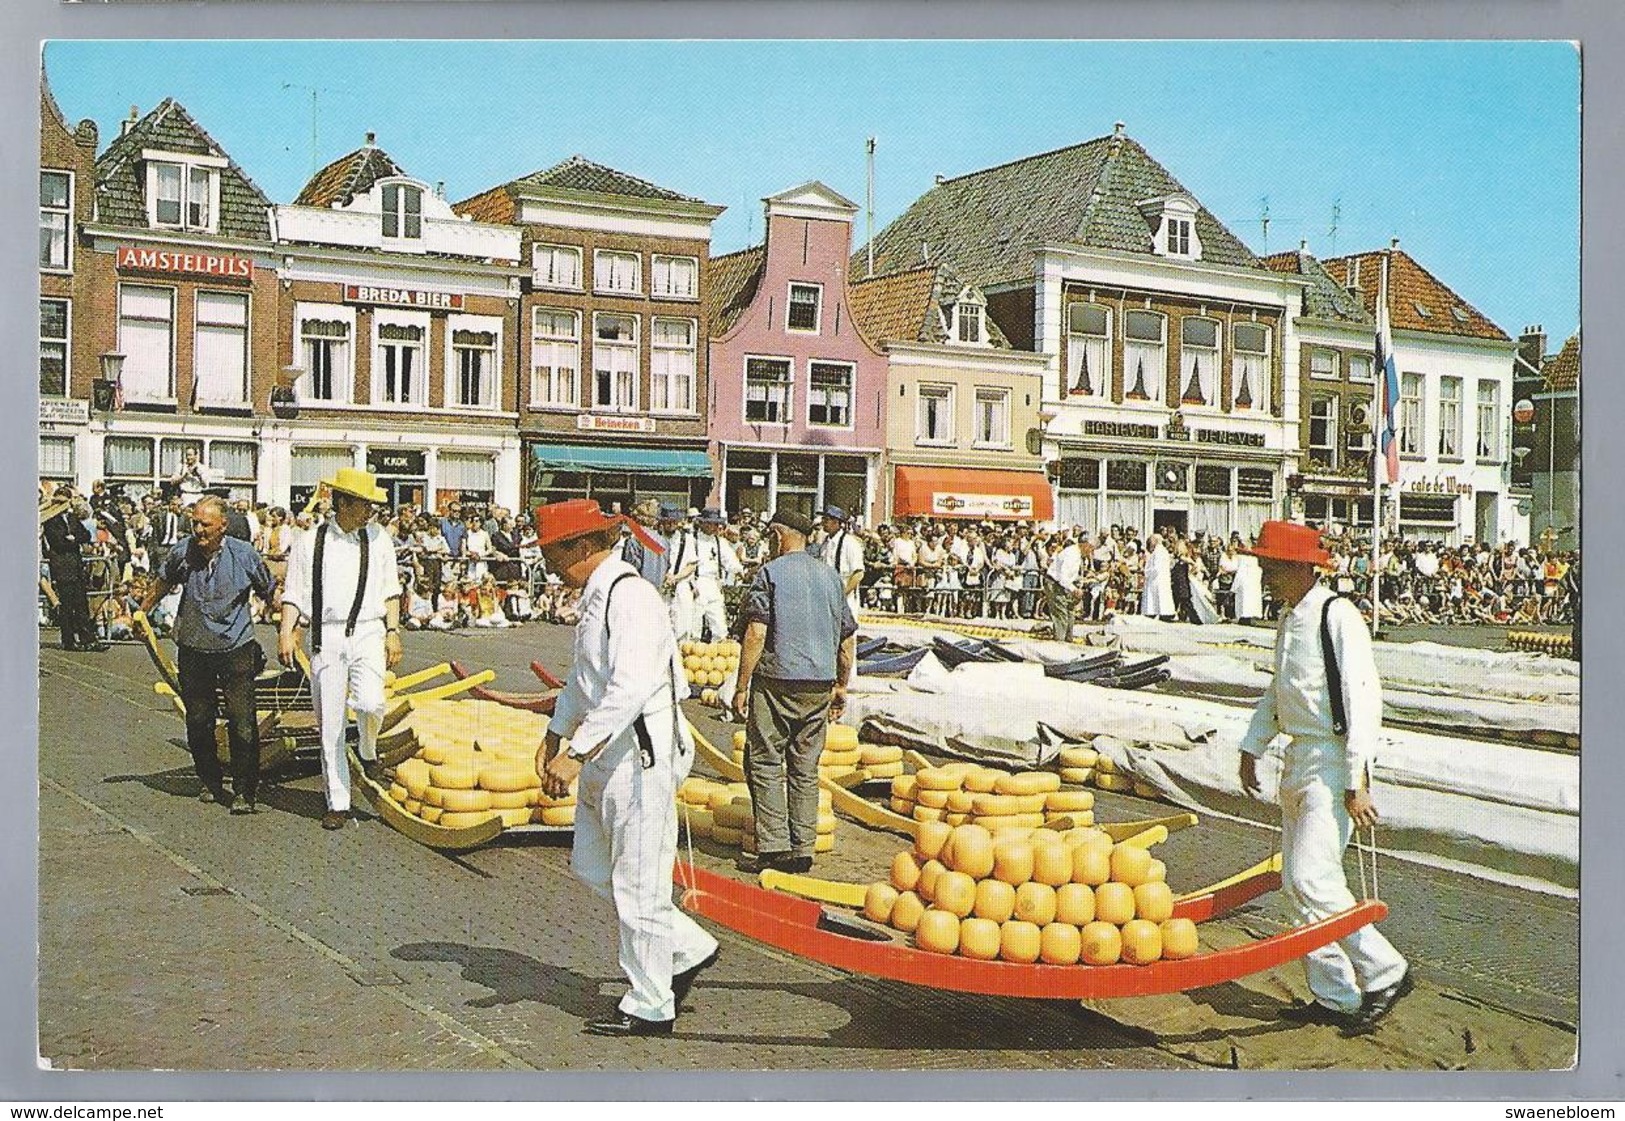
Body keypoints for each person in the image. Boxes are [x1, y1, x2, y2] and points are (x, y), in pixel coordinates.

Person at [533, 499, 720, 1037]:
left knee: (639, 881)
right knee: (593, 868)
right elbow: (582, 678)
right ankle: (685, 947)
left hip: (638, 755)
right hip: (603, 753)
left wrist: (575, 752)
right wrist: (556, 733)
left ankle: (650, 1002)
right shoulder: (595, 597)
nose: (548, 563)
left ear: (585, 547)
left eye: (554, 552)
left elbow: (629, 688)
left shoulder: (631, 596)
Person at [1236, 520, 1411, 1037]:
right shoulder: (1290, 619)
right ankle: (1335, 994)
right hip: (1299, 757)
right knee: (1298, 883)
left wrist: (1356, 778)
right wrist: (1253, 746)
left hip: (1333, 759)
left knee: (1315, 878)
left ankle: (1386, 970)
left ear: (1298, 569)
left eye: (1270, 567)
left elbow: (1363, 699)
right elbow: (1280, 692)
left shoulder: (1339, 616)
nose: (1265, 576)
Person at [731, 509, 857, 874]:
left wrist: (741, 686)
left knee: (766, 760)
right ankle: (803, 848)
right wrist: (840, 684)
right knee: (804, 765)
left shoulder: (769, 573)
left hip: (777, 680)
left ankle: (773, 848)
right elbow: (847, 639)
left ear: (776, 535)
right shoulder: (831, 578)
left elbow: (756, 633)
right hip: (819, 681)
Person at [278, 467, 403, 831]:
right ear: (342, 503)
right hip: (326, 637)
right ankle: (339, 800)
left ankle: (367, 749)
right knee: (330, 724)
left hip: (368, 631)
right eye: (365, 505)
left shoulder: (378, 539)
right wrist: (287, 632)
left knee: (370, 702)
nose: (371, 512)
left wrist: (392, 632)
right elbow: (294, 593)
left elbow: (390, 590)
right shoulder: (309, 541)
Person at [140, 496, 276, 813]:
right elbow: (163, 582)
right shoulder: (183, 552)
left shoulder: (244, 554)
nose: (199, 530)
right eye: (195, 523)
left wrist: (285, 621)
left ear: (223, 526)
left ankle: (245, 791)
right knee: (199, 720)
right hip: (194, 647)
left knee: (242, 722)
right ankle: (210, 782)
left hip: (235, 647)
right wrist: (143, 613)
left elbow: (268, 588)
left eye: (206, 525)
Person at [41, 488, 105, 652]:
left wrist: (73, 539)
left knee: (81, 604)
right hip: (62, 566)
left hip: (75, 565)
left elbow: (86, 535)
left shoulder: (72, 518)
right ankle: (68, 640)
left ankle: (88, 638)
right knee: (67, 605)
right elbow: (58, 543)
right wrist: (72, 541)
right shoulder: (50, 520)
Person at [692, 508, 743, 643]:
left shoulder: (720, 542)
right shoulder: (692, 540)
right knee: (694, 625)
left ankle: (717, 654)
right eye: (710, 523)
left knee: (719, 626)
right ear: (702, 523)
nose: (713, 527)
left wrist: (738, 570)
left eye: (716, 524)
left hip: (714, 584)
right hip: (697, 582)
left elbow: (730, 561)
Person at [813, 505, 866, 621]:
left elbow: (858, 574)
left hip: (845, 600)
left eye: (826, 520)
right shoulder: (825, 544)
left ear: (836, 522)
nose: (823, 523)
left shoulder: (850, 543)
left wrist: (842, 594)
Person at [658, 503, 699, 640]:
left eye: (673, 521)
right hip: (660, 587)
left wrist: (675, 577)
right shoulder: (655, 538)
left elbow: (692, 565)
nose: (670, 524)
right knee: (660, 626)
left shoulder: (686, 539)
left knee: (682, 628)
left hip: (680, 586)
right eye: (667, 521)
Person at [1044, 531, 1084, 643]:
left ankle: (1068, 639)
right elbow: (1063, 576)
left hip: (1064, 585)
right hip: (1055, 583)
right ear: (1085, 545)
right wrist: (1074, 589)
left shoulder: (1077, 554)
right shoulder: (1072, 554)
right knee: (1061, 613)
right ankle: (1060, 642)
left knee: (1070, 611)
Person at [1140, 533, 1175, 621]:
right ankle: (1159, 612)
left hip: (1157, 578)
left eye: (1151, 540)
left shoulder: (1159, 552)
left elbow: (1156, 567)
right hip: (1158, 578)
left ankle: (1163, 613)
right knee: (1158, 596)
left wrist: (1146, 572)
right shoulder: (1159, 551)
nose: (1150, 543)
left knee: (1158, 596)